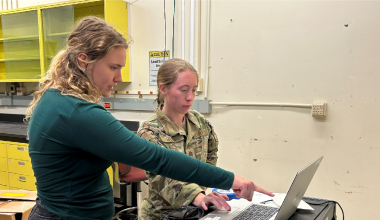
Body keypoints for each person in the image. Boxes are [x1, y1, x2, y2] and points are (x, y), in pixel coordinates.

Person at [25, 16, 273, 220]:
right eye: (114, 67)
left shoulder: (56, 99)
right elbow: (156, 159)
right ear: (83, 60)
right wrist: (231, 179)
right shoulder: (76, 112)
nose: (119, 77)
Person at [137, 58, 238, 219]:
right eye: (184, 90)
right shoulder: (150, 132)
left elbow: (211, 152)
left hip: (195, 211)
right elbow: (162, 179)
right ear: (163, 88)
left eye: (194, 90)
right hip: (161, 215)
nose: (190, 97)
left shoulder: (199, 122)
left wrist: (203, 191)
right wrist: (198, 197)